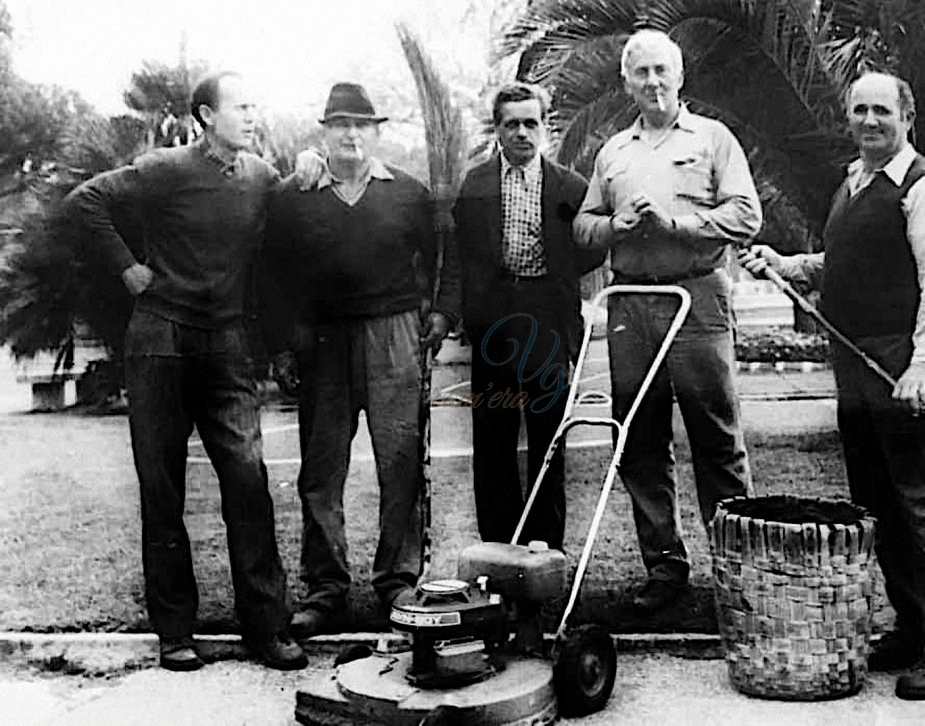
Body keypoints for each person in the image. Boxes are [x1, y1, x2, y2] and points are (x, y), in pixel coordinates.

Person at [740, 71, 925, 700]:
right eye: (859, 111)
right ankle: (915, 628)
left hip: (906, 368)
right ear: (847, 118)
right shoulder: (855, 183)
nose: (869, 121)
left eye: (882, 110)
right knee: (882, 504)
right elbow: (845, 264)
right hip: (857, 369)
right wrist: (787, 264)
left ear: (908, 117)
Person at [66, 72, 306, 671]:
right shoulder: (167, 168)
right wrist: (126, 267)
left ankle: (267, 628)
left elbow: (292, 226)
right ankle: (175, 632)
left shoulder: (261, 179)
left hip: (227, 343)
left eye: (256, 104)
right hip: (160, 339)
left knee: (249, 481)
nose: (253, 115)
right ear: (206, 115)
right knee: (163, 487)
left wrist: (307, 167)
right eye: (241, 106)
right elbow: (86, 201)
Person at [262, 82, 459, 638]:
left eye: (361, 125)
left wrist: (442, 313)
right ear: (323, 132)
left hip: (394, 336)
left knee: (400, 462)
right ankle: (326, 588)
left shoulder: (408, 193)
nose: (350, 134)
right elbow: (270, 275)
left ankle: (398, 579)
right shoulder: (293, 197)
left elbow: (450, 257)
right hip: (322, 342)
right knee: (322, 470)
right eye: (340, 124)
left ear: (376, 133)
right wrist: (281, 343)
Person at [574, 29, 761, 611]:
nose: (652, 83)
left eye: (661, 71)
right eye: (641, 74)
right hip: (631, 305)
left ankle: (740, 568)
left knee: (716, 438)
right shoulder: (613, 152)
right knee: (638, 440)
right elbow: (583, 226)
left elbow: (746, 215)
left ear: (680, 77)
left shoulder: (712, 139)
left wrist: (679, 225)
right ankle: (664, 568)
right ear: (625, 82)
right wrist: (614, 229)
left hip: (696, 301)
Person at [453, 82, 604, 552]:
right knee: (494, 439)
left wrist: (555, 283)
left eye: (530, 123)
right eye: (511, 123)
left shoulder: (571, 187)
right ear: (497, 129)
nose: (522, 132)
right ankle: (499, 548)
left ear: (545, 126)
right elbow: (461, 254)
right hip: (496, 322)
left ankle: (545, 549)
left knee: (548, 439)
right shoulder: (476, 186)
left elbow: (587, 250)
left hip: (548, 321)